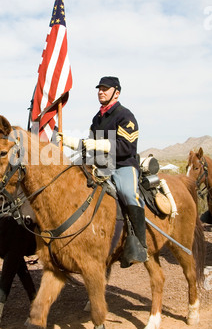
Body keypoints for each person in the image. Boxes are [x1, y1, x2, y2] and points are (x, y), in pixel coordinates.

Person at [57, 76, 148, 265]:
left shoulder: (125, 116)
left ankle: (140, 244)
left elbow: (127, 147)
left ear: (117, 92)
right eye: (99, 88)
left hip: (123, 165)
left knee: (129, 194)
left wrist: (100, 144)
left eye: (105, 89)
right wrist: (71, 142)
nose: (101, 91)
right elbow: (90, 146)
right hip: (100, 165)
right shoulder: (97, 118)